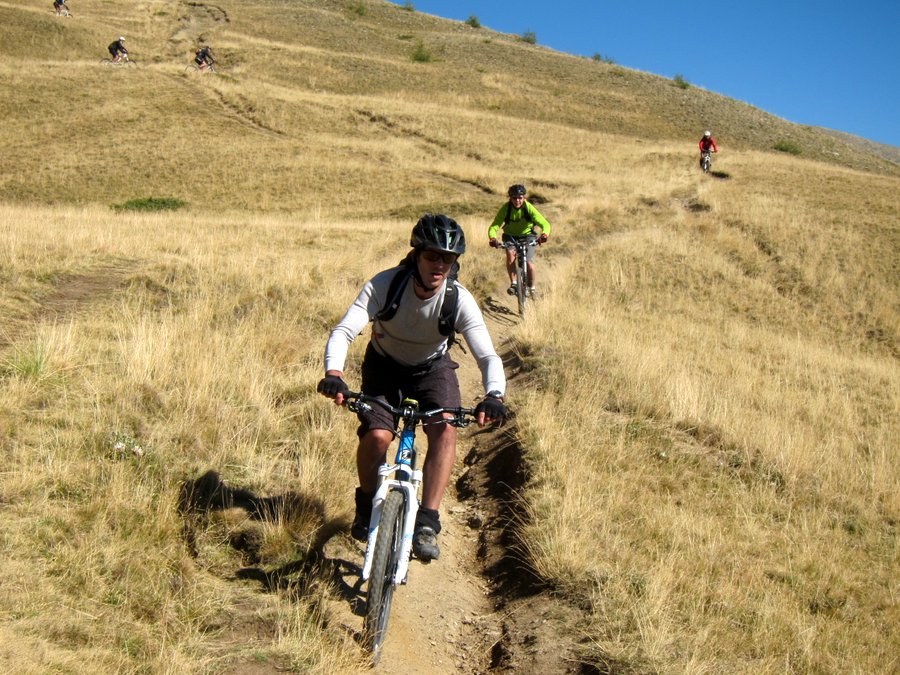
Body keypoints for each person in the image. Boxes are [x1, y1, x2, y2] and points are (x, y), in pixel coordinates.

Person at [317, 214, 507, 562]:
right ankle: (365, 503)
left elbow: (487, 355)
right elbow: (344, 330)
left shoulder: (458, 299)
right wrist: (334, 373)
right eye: (432, 255)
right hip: (384, 366)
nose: (439, 265)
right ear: (417, 254)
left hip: (432, 369)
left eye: (447, 259)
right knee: (376, 437)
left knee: (445, 428)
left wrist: (494, 394)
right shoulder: (386, 285)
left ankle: (428, 522)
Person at [488, 184, 551, 298]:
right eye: (514, 198)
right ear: (510, 198)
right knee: (510, 256)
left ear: (524, 198)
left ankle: (532, 288)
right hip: (510, 236)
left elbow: (544, 224)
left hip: (528, 236)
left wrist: (544, 235)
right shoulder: (506, 209)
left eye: (520, 198)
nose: (517, 200)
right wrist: (493, 238)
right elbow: (494, 226)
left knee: (529, 264)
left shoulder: (529, 208)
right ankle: (514, 284)